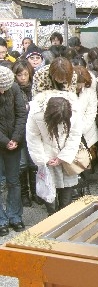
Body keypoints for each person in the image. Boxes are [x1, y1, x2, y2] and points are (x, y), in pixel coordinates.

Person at [26, 92, 82, 215]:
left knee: (67, 189)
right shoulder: (36, 112)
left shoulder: (74, 111)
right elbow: (32, 137)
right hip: (47, 154)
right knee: (48, 190)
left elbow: (75, 135)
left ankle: (64, 217)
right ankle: (52, 217)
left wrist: (63, 157)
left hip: (66, 156)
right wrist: (44, 159)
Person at [0, 66, 27, 235]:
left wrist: (15, 139)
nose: (3, 91)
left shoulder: (15, 88)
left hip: (14, 143)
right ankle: (1, 220)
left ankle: (15, 216)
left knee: (13, 181)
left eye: (5, 88)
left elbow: (21, 114)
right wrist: (5, 141)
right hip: (4, 141)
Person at [12, 60, 40, 207]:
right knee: (22, 164)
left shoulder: (35, 88)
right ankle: (25, 194)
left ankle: (36, 192)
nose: (23, 78)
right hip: (20, 131)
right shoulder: (13, 89)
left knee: (34, 163)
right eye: (19, 75)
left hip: (34, 130)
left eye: (25, 74)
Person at [74, 66, 98, 193]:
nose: (79, 86)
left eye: (81, 83)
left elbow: (91, 113)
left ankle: (86, 187)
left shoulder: (90, 92)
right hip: (71, 132)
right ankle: (77, 187)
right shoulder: (67, 93)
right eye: (77, 84)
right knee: (74, 161)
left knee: (86, 159)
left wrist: (81, 129)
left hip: (86, 131)